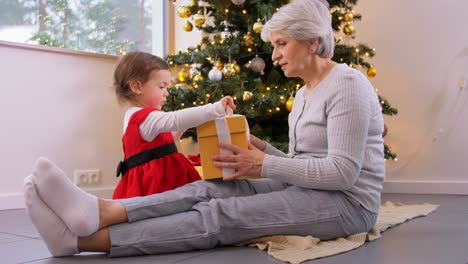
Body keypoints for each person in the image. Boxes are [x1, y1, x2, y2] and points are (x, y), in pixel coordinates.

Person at [23, 0, 385, 258]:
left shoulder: (348, 86)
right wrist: (264, 150)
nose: (275, 55)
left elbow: (341, 173)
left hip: (347, 204)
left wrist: (263, 165)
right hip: (309, 186)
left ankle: (81, 242)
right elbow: (304, 162)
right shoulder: (305, 92)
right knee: (206, 189)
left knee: (223, 215)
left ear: (313, 43)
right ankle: (101, 211)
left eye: (281, 44)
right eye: (274, 45)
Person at [110, 51, 236, 199]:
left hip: (168, 179)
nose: (167, 93)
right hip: (156, 185)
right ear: (137, 87)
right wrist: (214, 109)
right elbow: (176, 120)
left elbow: (165, 140)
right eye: (162, 87)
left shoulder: (144, 117)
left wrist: (193, 122)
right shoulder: (143, 117)